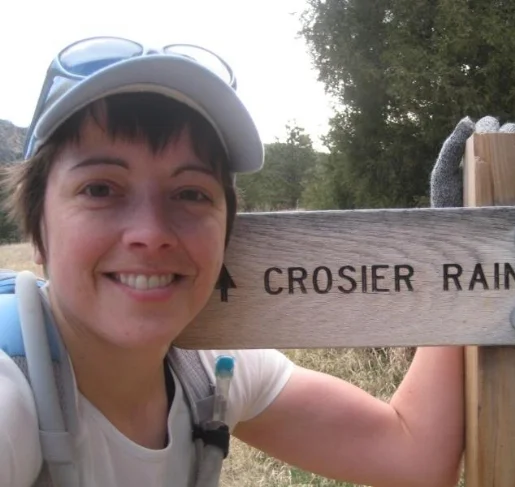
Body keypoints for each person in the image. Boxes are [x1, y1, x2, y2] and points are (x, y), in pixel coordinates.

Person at [0, 37, 465, 487]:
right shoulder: (11, 394)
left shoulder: (209, 370)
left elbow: (413, 456)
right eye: (100, 189)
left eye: (190, 193)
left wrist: (460, 244)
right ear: (37, 230)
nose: (151, 233)